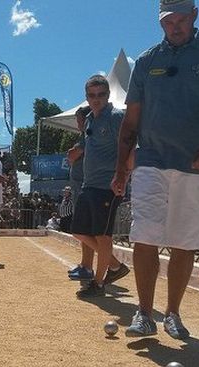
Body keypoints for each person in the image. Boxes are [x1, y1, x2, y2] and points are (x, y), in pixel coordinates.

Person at [111, 0, 199, 338]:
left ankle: (173, 313)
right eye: (168, 22)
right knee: (144, 235)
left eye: (181, 20)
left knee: (185, 242)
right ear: (160, 22)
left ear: (195, 15)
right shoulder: (148, 60)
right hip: (151, 160)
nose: (175, 27)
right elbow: (131, 119)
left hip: (197, 164)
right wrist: (122, 170)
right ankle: (143, 313)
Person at [70, 74, 129, 297]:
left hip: (108, 186)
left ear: (108, 95)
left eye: (101, 95)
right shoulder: (90, 120)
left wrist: (122, 176)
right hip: (89, 184)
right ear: (87, 97)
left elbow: (129, 147)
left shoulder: (116, 117)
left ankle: (99, 283)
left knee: (103, 236)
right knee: (78, 231)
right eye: (92, 95)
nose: (96, 99)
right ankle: (115, 266)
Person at [67, 106, 96, 280]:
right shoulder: (84, 135)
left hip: (85, 185)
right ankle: (85, 264)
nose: (77, 123)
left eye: (79, 120)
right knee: (84, 228)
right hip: (81, 185)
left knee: (85, 229)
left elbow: (71, 155)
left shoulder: (88, 135)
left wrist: (72, 153)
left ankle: (89, 266)